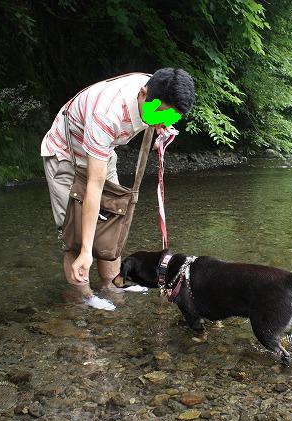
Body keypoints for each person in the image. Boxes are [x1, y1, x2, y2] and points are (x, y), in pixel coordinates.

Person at [41, 68, 195, 310]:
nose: (166, 121)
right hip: (66, 155)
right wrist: (86, 251)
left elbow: (157, 113)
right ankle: (83, 296)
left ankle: (110, 284)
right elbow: (94, 185)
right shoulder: (107, 113)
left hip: (102, 150)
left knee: (113, 218)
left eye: (171, 118)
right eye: (161, 115)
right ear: (143, 94)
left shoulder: (158, 88)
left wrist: (157, 123)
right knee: (76, 233)